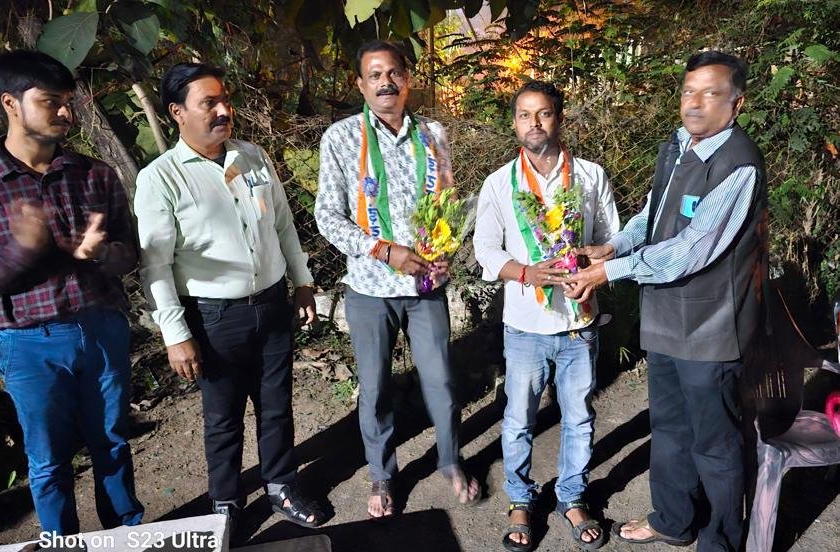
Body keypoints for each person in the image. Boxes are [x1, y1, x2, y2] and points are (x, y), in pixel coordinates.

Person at [560, 51, 766, 551]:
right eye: (688, 91)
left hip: (712, 329)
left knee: (714, 443)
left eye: (710, 93)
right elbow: (654, 215)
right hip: (666, 318)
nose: (694, 103)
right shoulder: (677, 146)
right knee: (669, 428)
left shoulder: (738, 164)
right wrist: (613, 247)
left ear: (736, 103)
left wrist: (609, 271)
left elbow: (690, 249)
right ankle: (674, 520)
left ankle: (720, 541)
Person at [134, 63, 323, 538]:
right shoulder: (161, 178)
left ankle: (281, 485)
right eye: (209, 103)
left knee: (277, 405)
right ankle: (226, 503)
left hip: (272, 304)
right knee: (223, 418)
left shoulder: (252, 157)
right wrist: (175, 335)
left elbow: (282, 224)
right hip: (214, 317)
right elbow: (155, 266)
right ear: (177, 112)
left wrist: (302, 282)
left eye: (225, 100)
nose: (223, 111)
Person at [314, 40, 479, 519]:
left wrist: (446, 250)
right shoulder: (341, 138)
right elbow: (327, 216)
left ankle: (450, 460)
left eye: (393, 73)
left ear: (407, 78)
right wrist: (385, 251)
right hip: (370, 287)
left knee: (441, 380)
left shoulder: (433, 133)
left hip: (426, 287)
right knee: (375, 386)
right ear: (360, 84)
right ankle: (382, 473)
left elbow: (447, 201)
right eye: (375, 74)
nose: (385, 82)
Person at [0, 50, 143, 536]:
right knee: (48, 459)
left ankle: (126, 537)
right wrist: (21, 251)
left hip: (102, 329)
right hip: (27, 342)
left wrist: (101, 254)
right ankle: (61, 543)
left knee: (112, 443)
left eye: (68, 102)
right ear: (11, 103)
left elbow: (130, 256)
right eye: (50, 101)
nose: (65, 112)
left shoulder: (94, 174)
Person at [473, 80, 619, 551]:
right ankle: (520, 499)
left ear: (559, 118)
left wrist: (591, 271)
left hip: (579, 323)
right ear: (514, 123)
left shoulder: (590, 176)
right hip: (524, 326)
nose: (533, 123)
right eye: (524, 114)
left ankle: (571, 497)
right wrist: (526, 273)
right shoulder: (500, 183)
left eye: (543, 113)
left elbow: (612, 239)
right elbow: (485, 248)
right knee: (518, 418)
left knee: (579, 417)